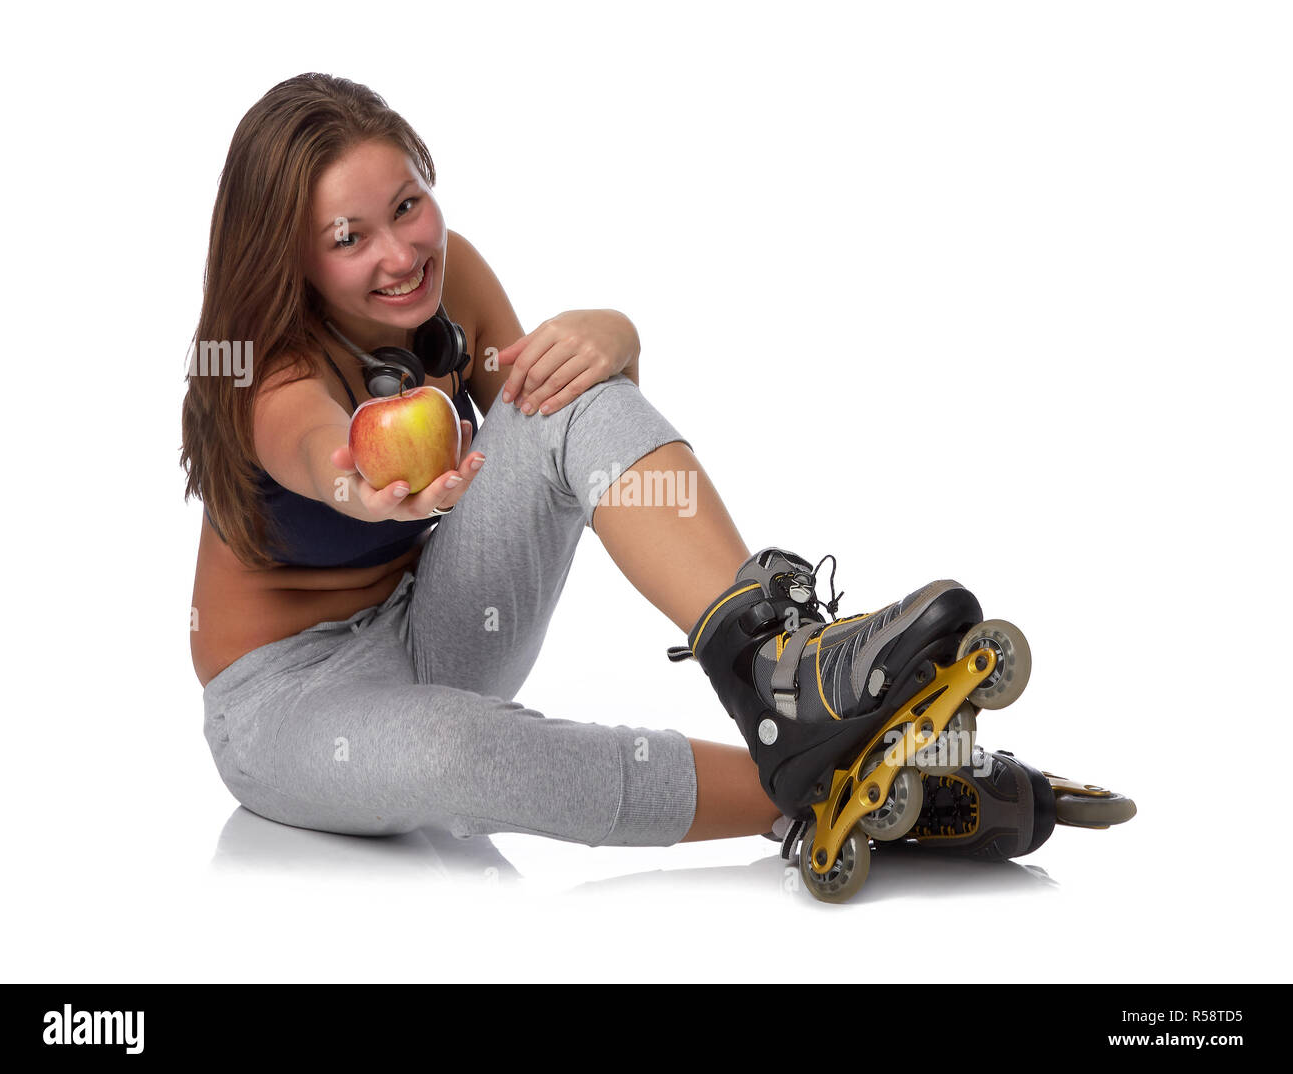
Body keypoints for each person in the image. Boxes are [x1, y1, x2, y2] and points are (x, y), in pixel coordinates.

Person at [182, 74, 1130, 887]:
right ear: (293, 258)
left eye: (408, 204)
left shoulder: (450, 276)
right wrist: (363, 486)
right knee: (461, 751)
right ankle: (824, 788)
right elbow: (320, 452)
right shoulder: (270, 376)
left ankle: (783, 669)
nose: (400, 252)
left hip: (434, 626)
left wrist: (615, 333)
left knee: (566, 387)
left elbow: (539, 421)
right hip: (291, 707)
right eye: (351, 238)